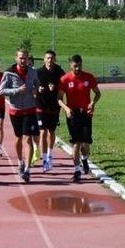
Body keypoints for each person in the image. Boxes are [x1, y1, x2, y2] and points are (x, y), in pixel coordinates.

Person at [58, 54, 102, 183]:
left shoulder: (89, 77)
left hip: (86, 114)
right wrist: (66, 108)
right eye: (75, 66)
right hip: (73, 114)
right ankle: (77, 170)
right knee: (76, 142)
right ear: (70, 65)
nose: (77, 68)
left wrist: (93, 103)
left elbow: (98, 93)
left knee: (86, 144)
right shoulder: (65, 79)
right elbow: (59, 99)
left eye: (79, 65)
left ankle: (84, 158)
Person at [0, 48, 40, 183]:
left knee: (28, 139)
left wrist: (36, 90)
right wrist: (17, 90)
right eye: (21, 58)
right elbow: (1, 90)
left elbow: (37, 86)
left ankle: (27, 170)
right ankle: (20, 162)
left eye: (25, 58)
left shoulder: (33, 72)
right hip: (15, 110)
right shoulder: (9, 73)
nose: (23, 60)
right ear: (16, 58)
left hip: (30, 109)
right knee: (18, 137)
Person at [36, 49, 65, 172]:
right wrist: (38, 89)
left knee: (51, 132)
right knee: (42, 132)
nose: (50, 60)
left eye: (52, 58)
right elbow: (32, 86)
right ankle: (44, 160)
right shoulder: (38, 72)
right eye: (47, 58)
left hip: (54, 107)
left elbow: (64, 88)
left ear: (55, 59)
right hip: (41, 106)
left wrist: (56, 88)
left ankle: (50, 154)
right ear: (44, 59)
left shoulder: (59, 72)